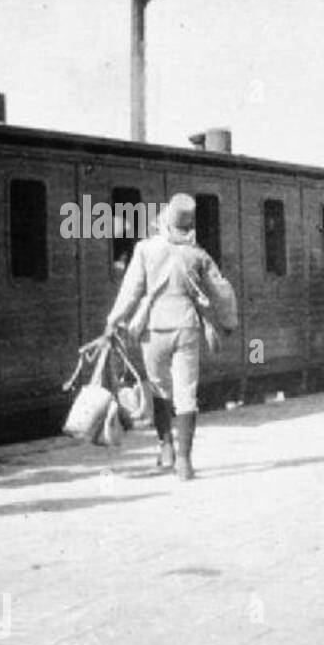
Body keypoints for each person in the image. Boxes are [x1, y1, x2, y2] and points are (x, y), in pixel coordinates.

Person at [101, 193, 235, 480]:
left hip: (154, 329)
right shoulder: (196, 253)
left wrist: (113, 321)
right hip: (186, 327)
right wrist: (227, 323)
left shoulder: (146, 249)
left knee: (160, 390)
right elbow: (222, 290)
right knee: (187, 393)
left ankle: (166, 448)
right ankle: (185, 462)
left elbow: (130, 291)